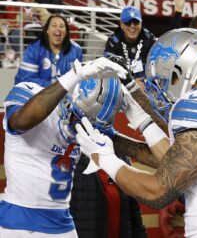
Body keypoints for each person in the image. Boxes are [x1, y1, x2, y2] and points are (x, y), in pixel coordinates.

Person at [76, 28, 197, 238]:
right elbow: (176, 159)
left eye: (165, 77)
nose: (161, 86)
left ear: (181, 72)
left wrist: (105, 159)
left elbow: (157, 192)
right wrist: (126, 131)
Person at [0, 56, 128, 238]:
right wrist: (74, 76)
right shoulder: (31, 93)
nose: (80, 125)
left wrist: (142, 121)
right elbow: (20, 121)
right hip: (19, 221)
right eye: (77, 115)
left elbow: (143, 154)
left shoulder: (90, 116)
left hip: (63, 224)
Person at [14, 14, 83, 87]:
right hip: (36, 95)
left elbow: (80, 78)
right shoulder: (34, 49)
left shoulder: (76, 50)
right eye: (54, 25)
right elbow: (25, 79)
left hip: (65, 96)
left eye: (62, 26)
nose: (58, 28)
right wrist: (55, 86)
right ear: (47, 30)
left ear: (66, 31)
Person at [103, 6, 156, 89]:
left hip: (146, 87)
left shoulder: (149, 39)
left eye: (136, 22)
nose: (132, 26)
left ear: (141, 23)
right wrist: (131, 84)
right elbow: (107, 70)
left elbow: (161, 62)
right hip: (121, 89)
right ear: (121, 24)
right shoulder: (113, 42)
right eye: (128, 22)